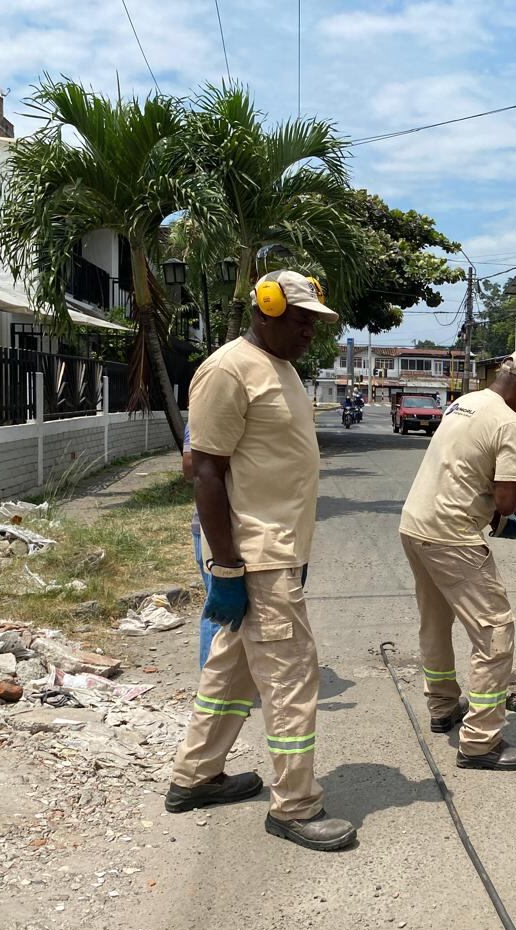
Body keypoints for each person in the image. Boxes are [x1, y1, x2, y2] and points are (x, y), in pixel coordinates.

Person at [165, 270, 356, 853]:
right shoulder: (228, 369)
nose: (309, 332)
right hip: (255, 554)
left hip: (279, 551)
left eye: (315, 323)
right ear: (266, 308)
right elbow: (205, 472)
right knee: (293, 677)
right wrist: (226, 569)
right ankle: (295, 805)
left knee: (233, 671)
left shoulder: (283, 368)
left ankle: (194, 776)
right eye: (300, 319)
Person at [399, 346, 516, 771]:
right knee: (494, 632)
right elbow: (505, 498)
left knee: (435, 620)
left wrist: (505, 525)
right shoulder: (510, 422)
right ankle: (481, 741)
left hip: (415, 525)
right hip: (450, 536)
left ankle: (443, 706)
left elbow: (463, 478)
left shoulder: (464, 403)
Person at [182, 426, 217, 669]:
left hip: (238, 527)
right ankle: (214, 686)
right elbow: (189, 468)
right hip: (213, 528)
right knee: (219, 607)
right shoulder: (206, 410)